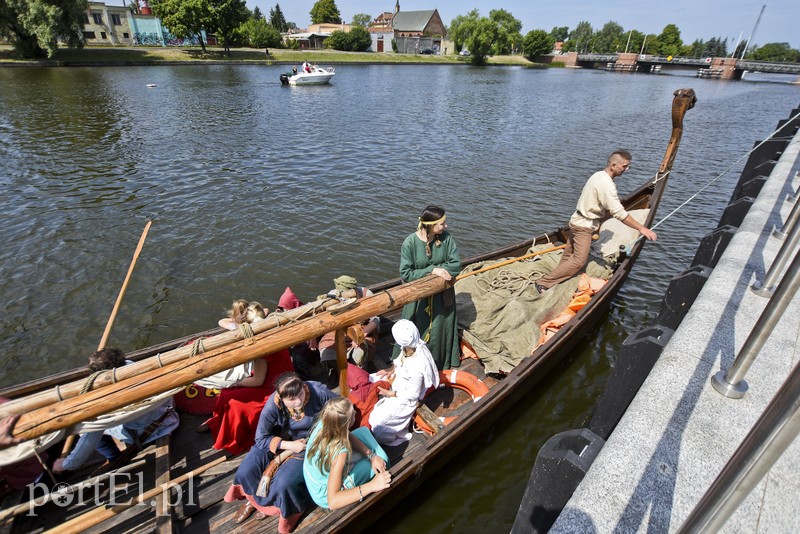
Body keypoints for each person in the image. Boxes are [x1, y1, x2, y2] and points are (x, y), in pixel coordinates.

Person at [224, 372, 338, 531]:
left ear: (303, 386)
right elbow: (261, 438)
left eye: (300, 394)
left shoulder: (318, 391)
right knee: (246, 471)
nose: (298, 401)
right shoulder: (273, 404)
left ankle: (275, 506)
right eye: (292, 399)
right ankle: (257, 502)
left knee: (284, 483)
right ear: (281, 398)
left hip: (308, 443)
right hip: (279, 441)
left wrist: (325, 432)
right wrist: (289, 445)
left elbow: (342, 407)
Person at [535, 150, 657, 292]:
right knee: (579, 261)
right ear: (613, 165)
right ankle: (543, 283)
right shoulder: (607, 185)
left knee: (569, 255)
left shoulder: (598, 175)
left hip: (576, 220)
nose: (627, 169)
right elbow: (618, 212)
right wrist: (642, 229)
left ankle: (558, 277)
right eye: (624, 166)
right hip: (583, 226)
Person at [53, 348, 179, 473]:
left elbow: (89, 441)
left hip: (148, 432)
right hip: (168, 415)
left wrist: (66, 464)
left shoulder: (107, 399)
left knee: (88, 429)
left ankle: (114, 458)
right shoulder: (135, 366)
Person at [396, 205, 461, 370]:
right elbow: (406, 273)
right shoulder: (410, 243)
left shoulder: (446, 238)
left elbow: (456, 265)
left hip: (442, 297)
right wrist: (432, 270)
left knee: (440, 331)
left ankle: (440, 363)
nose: (445, 226)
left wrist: (441, 274)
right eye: (442, 223)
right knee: (418, 331)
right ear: (430, 225)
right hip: (419, 298)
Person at [302, 398, 391, 510]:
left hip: (314, 477)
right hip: (324, 493)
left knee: (363, 432)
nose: (354, 412)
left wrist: (371, 455)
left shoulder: (326, 420)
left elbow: (346, 435)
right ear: (345, 424)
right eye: (352, 414)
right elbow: (333, 502)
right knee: (383, 460)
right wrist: (372, 486)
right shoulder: (340, 453)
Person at [365, 320, 439, 445]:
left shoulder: (417, 367)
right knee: (370, 379)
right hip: (398, 381)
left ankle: (395, 435)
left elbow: (412, 394)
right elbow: (400, 359)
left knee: (378, 423)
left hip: (405, 398)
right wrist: (390, 370)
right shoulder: (410, 346)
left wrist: (390, 393)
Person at [318, 275, 380, 373]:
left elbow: (375, 320)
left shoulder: (366, 294)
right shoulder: (332, 295)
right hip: (339, 329)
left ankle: (360, 374)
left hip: (362, 329)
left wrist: (361, 335)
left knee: (359, 354)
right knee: (326, 352)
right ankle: (337, 371)